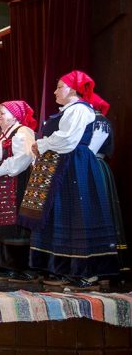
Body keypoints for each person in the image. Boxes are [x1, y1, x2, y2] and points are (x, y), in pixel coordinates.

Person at [22, 70, 118, 288]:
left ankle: (86, 271)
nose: (55, 92)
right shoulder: (69, 111)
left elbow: (67, 140)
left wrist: (42, 144)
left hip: (75, 164)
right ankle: (66, 267)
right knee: (65, 215)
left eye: (59, 87)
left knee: (78, 215)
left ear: (74, 89)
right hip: (65, 164)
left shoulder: (80, 109)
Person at [0, 101, 37, 281]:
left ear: (15, 116)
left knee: (15, 221)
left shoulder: (22, 132)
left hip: (17, 182)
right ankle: (2, 264)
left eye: (2, 113)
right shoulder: (0, 137)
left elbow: (24, 158)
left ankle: (18, 266)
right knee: (0, 222)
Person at [88, 95, 128, 269]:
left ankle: (103, 264)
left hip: (93, 166)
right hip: (89, 165)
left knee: (98, 211)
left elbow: (91, 149)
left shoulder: (99, 121)